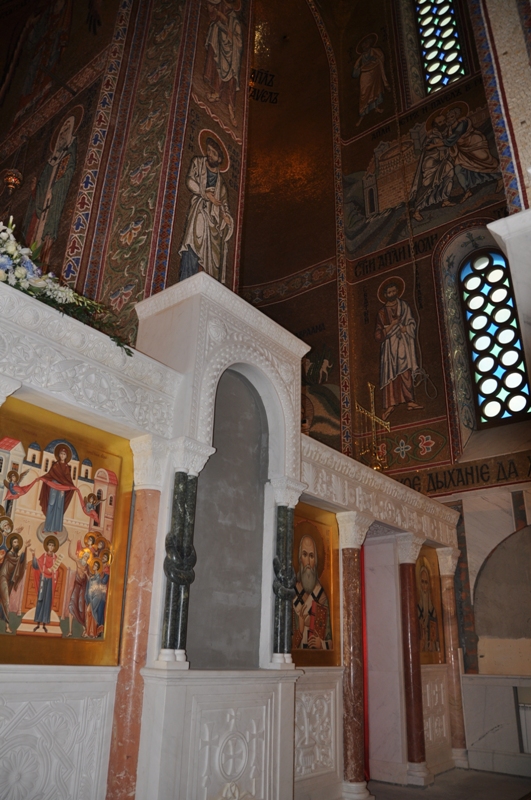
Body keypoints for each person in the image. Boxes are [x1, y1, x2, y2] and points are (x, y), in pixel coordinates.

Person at [24, 112, 78, 266]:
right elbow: (41, 186)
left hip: (54, 205)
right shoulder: (50, 163)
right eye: (61, 132)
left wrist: (57, 188)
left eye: (66, 131)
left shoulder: (69, 155)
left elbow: (69, 173)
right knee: (36, 238)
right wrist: (36, 190)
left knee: (47, 239)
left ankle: (43, 266)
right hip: (43, 210)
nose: (62, 135)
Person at [179, 135, 234, 283]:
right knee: (194, 242)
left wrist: (226, 217)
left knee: (212, 258)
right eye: (209, 150)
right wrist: (205, 194)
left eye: (213, 153)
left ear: (219, 159)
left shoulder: (221, 184)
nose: (209, 154)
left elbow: (223, 204)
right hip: (199, 210)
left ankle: (206, 285)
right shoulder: (198, 163)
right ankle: (187, 281)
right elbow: (190, 181)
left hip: (214, 223)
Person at [374, 279, 423, 421]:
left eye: (394, 291)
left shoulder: (404, 306)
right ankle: (390, 405)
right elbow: (378, 335)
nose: (392, 294)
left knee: (405, 371)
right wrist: (392, 325)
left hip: (403, 343)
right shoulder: (382, 312)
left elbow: (411, 322)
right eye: (389, 292)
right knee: (390, 375)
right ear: (385, 294)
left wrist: (406, 328)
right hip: (389, 347)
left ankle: (410, 401)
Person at [443, 105, 503, 203]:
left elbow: (455, 137)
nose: (449, 119)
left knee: (484, 163)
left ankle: (499, 177)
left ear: (456, 116)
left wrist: (438, 144)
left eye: (451, 116)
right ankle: (467, 191)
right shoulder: (449, 130)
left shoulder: (463, 123)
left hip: (474, 144)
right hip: (462, 152)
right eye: (448, 117)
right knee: (459, 169)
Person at [203, 0, 243, 127]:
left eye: (227, 4)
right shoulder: (221, 15)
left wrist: (229, 33)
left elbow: (238, 42)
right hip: (223, 50)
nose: (225, 6)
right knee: (220, 68)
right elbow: (214, 19)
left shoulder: (235, 22)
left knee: (231, 82)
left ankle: (231, 109)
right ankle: (217, 92)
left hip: (233, 55)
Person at [411, 114, 456, 222]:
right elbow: (441, 144)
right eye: (440, 122)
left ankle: (445, 199)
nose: (443, 123)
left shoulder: (443, 133)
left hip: (441, 161)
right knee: (427, 185)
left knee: (450, 173)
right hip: (431, 163)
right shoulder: (433, 135)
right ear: (435, 125)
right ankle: (416, 210)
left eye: (443, 121)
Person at [292, 534, 332, 650]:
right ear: (300, 558)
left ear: (316, 560)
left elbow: (333, 641)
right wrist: (300, 629)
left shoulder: (322, 596)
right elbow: (286, 644)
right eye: (305, 555)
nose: (308, 562)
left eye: (312, 556)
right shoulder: (293, 594)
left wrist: (321, 644)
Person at [352, 33, 389, 126]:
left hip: (375, 73)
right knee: (364, 94)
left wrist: (375, 60)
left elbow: (381, 58)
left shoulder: (375, 51)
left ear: (370, 43)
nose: (365, 46)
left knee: (375, 90)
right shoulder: (361, 57)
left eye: (366, 43)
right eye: (363, 45)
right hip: (365, 75)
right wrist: (359, 68)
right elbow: (355, 71)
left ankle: (376, 107)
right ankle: (362, 115)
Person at [39, 445, 76, 534]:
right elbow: (50, 475)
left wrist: (67, 488)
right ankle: (47, 527)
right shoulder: (55, 465)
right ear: (59, 455)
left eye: (64, 454)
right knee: (51, 505)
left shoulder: (67, 467)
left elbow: (68, 480)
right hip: (54, 487)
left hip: (62, 489)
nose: (62, 455)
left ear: (66, 456)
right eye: (61, 454)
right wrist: (42, 478)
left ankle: (55, 528)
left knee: (59, 507)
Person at [0, 532, 30, 633]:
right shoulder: (9, 554)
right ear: (11, 544)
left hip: (9, 580)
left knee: (3, 601)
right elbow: (18, 559)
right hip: (3, 578)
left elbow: (20, 561)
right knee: (6, 601)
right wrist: (24, 547)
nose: (17, 544)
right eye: (15, 542)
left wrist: (25, 549)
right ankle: (7, 626)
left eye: (17, 542)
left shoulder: (16, 554)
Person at [31, 535, 60, 632]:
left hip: (50, 582)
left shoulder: (56, 558)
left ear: (54, 547)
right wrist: (33, 554)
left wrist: (53, 571)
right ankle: (37, 623)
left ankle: (44, 624)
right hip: (43, 580)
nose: (51, 547)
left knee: (47, 602)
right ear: (47, 546)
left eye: (52, 545)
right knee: (40, 600)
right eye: (49, 545)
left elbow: (57, 571)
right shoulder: (43, 556)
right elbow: (36, 565)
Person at [65, 536, 90, 637]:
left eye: (87, 557)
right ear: (82, 556)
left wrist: (86, 574)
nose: (86, 558)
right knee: (71, 606)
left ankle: (85, 629)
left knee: (81, 608)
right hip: (76, 586)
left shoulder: (87, 566)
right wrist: (70, 543)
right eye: (85, 556)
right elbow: (70, 554)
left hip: (83, 588)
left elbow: (89, 579)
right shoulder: (78, 561)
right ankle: (70, 631)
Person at [418, 564, 440, 652]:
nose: (424, 586)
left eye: (426, 582)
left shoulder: (433, 611)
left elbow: (435, 636)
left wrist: (432, 642)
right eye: (422, 582)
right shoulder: (417, 609)